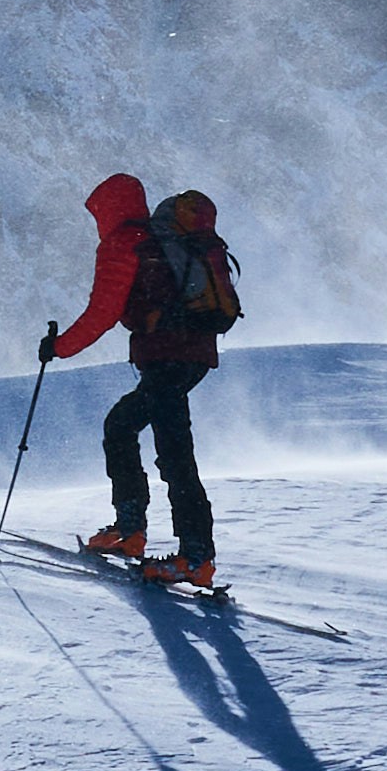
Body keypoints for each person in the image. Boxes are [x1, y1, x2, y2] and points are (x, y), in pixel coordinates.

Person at [44, 172, 241, 587]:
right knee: (126, 427)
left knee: (171, 453)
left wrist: (58, 348)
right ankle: (134, 532)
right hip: (191, 353)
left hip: (168, 355)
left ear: (107, 209)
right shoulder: (157, 240)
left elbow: (102, 313)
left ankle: (191, 555)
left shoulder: (124, 243)